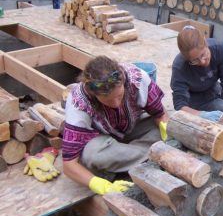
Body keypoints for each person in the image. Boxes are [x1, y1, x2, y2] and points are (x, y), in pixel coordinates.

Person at [62, 56, 169, 195]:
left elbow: (160, 114)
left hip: (134, 126)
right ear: (94, 94)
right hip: (103, 142)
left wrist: (166, 133)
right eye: (108, 100)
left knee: (167, 125)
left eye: (119, 96)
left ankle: (128, 162)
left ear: (123, 82)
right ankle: (155, 156)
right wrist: (101, 186)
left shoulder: (138, 78)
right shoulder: (78, 103)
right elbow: (69, 164)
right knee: (92, 155)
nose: (116, 104)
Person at [170, 26, 223, 122]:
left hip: (215, 89)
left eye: (203, 54)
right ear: (187, 59)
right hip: (197, 101)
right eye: (195, 60)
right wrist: (201, 115)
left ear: (205, 42)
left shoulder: (220, 49)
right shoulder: (180, 67)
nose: (202, 61)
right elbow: (180, 105)